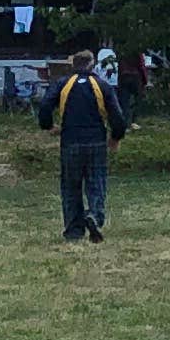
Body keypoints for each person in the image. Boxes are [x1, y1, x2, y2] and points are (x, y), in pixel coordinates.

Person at [44, 53, 129, 242]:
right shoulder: (101, 85)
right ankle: (94, 216)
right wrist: (116, 137)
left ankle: (74, 230)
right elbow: (117, 115)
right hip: (96, 142)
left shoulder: (63, 84)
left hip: (70, 141)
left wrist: (49, 126)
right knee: (96, 182)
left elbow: (45, 106)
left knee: (71, 186)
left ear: (73, 64)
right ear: (92, 64)